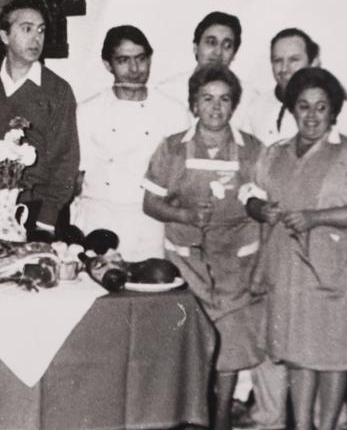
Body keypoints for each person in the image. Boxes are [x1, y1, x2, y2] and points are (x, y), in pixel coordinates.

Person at [239, 26, 347, 430]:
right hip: (287, 267)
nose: (311, 115)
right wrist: (261, 208)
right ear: (293, 110)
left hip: (333, 267)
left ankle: (328, 425)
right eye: (304, 107)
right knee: (298, 351)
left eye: (320, 107)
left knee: (332, 352)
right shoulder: (275, 151)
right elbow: (252, 193)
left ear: (333, 110)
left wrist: (315, 218)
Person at [141, 65, 265, 430]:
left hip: (235, 263)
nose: (215, 108)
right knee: (189, 347)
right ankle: (193, 415)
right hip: (186, 264)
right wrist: (184, 213)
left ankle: (224, 415)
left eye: (224, 100)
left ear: (234, 105)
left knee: (230, 344)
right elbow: (150, 203)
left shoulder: (253, 151)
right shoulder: (172, 148)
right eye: (207, 99)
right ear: (194, 104)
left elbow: (264, 208)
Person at [72, 25, 187, 260]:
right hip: (99, 218)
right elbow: (78, 176)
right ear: (108, 64)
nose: (134, 69)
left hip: (150, 223)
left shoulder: (174, 112)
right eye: (123, 60)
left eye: (141, 59)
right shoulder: (87, 111)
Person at [0, 1, 78, 232]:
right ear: (4, 36)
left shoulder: (57, 90)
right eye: (27, 29)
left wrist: (48, 217)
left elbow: (65, 159)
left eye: (41, 30)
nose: (36, 38)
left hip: (37, 211)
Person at [243, 27, 347, 147]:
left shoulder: (343, 112)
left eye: (294, 60)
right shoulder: (256, 109)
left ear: (313, 62)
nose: (284, 68)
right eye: (277, 61)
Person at [157, 11, 259, 126]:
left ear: (234, 54)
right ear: (196, 47)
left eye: (227, 45)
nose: (218, 53)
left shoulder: (249, 98)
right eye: (211, 42)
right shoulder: (167, 92)